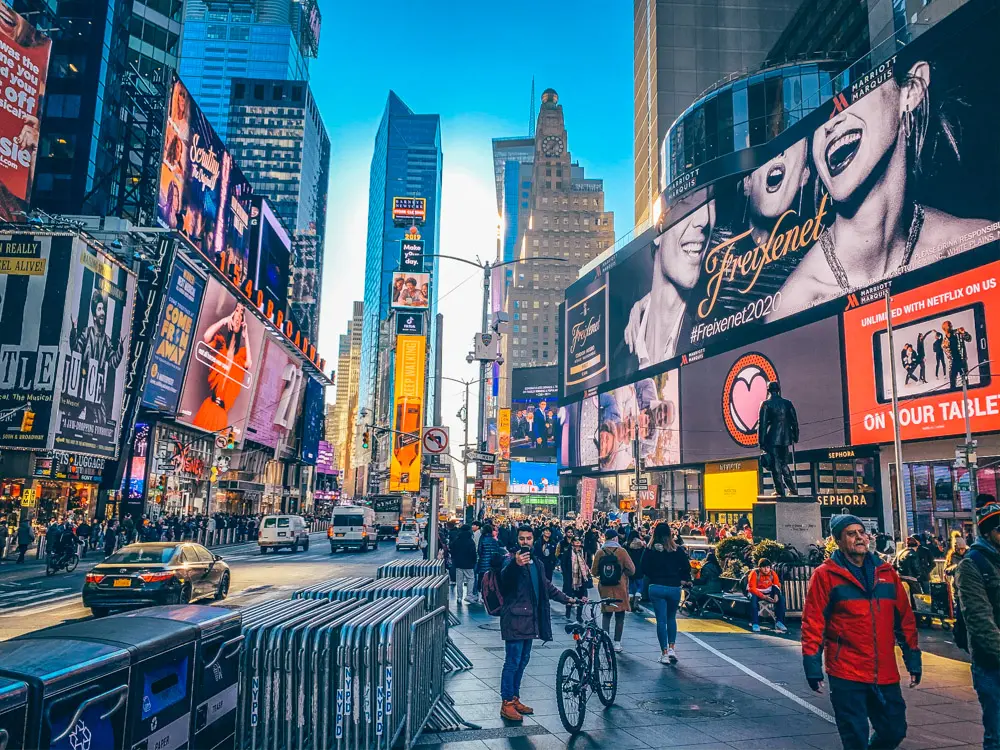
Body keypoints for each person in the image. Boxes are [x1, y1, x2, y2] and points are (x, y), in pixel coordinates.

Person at [774, 59, 993, 315]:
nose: (828, 123)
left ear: (910, 91)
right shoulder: (794, 307)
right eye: (814, 115)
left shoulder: (979, 245)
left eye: (848, 91)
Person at [801, 514, 921, 750]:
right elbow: (813, 622)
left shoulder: (887, 573)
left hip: (884, 671)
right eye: (851, 533)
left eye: (862, 532)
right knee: (854, 738)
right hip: (846, 671)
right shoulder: (825, 575)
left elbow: (904, 620)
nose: (859, 538)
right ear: (838, 540)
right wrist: (812, 666)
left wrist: (913, 659)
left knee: (894, 730)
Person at [621, 202, 716, 371]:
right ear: (658, 232)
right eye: (689, 201)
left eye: (711, 203)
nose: (705, 219)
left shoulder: (716, 331)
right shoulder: (620, 357)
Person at [498, 525, 577, 721]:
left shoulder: (536, 563)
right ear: (517, 540)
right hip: (515, 619)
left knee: (523, 661)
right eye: (522, 539)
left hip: (530, 619)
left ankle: (514, 698)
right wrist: (515, 565)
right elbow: (504, 582)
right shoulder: (510, 560)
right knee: (512, 662)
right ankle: (506, 702)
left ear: (534, 540)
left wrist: (567, 599)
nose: (525, 542)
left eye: (528, 538)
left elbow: (546, 586)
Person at [955, 495, 1000, 750]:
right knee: (998, 736)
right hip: (992, 665)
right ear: (987, 531)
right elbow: (980, 621)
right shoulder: (972, 565)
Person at [193, 304, 255, 432]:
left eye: (241, 313)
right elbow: (206, 337)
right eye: (236, 310)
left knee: (214, 447)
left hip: (221, 414)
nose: (238, 315)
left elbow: (248, 363)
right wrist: (223, 321)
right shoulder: (221, 344)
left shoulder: (241, 354)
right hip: (208, 407)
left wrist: (246, 335)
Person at [638, 522, 690, 664]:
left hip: (656, 586)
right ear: (670, 533)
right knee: (671, 618)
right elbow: (686, 567)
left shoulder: (649, 550)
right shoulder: (677, 549)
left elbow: (643, 568)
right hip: (674, 587)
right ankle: (672, 648)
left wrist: (653, 575)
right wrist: (681, 578)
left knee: (660, 620)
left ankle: (664, 653)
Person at [590, 528, 635, 652]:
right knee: (620, 615)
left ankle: (605, 640)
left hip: (604, 587)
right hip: (620, 586)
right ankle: (617, 643)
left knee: (606, 613)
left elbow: (593, 571)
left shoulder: (600, 552)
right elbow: (632, 569)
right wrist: (622, 574)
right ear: (615, 538)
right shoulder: (622, 551)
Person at [747, 558, 788, 633]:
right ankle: (755, 623)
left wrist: (776, 594)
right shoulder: (754, 573)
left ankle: (780, 622)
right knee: (753, 601)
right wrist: (764, 597)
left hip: (768, 591)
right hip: (756, 592)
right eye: (763, 567)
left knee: (781, 599)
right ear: (759, 567)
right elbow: (752, 588)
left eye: (768, 567)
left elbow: (776, 585)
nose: (766, 569)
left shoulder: (772, 573)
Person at [559, 534, 591, 622]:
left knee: (582, 598)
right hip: (570, 579)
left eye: (579, 541)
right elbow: (563, 564)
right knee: (570, 596)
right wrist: (565, 576)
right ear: (572, 543)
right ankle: (568, 610)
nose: (577, 543)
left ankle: (579, 616)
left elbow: (588, 563)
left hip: (581, 579)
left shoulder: (584, 552)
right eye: (575, 541)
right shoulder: (567, 552)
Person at [451, 524, 477, 604]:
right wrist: (474, 561)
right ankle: (469, 595)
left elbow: (452, 551)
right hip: (469, 564)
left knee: (459, 580)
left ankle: (459, 597)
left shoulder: (457, 540)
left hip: (458, 563)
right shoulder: (470, 541)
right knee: (470, 579)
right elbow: (473, 553)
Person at [943, 321, 973, 390]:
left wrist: (964, 333)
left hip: (962, 361)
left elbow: (969, 339)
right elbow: (947, 354)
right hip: (953, 363)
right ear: (945, 329)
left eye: (950, 325)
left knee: (964, 381)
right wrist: (946, 347)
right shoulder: (945, 340)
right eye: (949, 325)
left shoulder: (958, 332)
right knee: (952, 383)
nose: (951, 326)